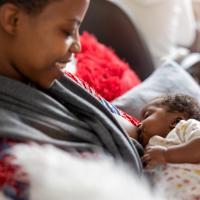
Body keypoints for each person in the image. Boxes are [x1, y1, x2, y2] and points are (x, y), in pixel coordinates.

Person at [0, 0, 142, 198]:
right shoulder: (13, 160)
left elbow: (134, 126)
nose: (77, 46)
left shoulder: (64, 83)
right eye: (67, 31)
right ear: (13, 20)